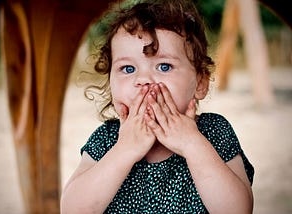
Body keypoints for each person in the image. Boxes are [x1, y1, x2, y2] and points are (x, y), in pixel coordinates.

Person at [61, 0, 254, 213]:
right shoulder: (107, 139)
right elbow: (72, 209)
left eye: (164, 66)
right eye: (127, 68)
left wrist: (192, 144)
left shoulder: (213, 132)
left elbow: (238, 210)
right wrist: (125, 150)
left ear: (200, 83)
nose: (143, 79)